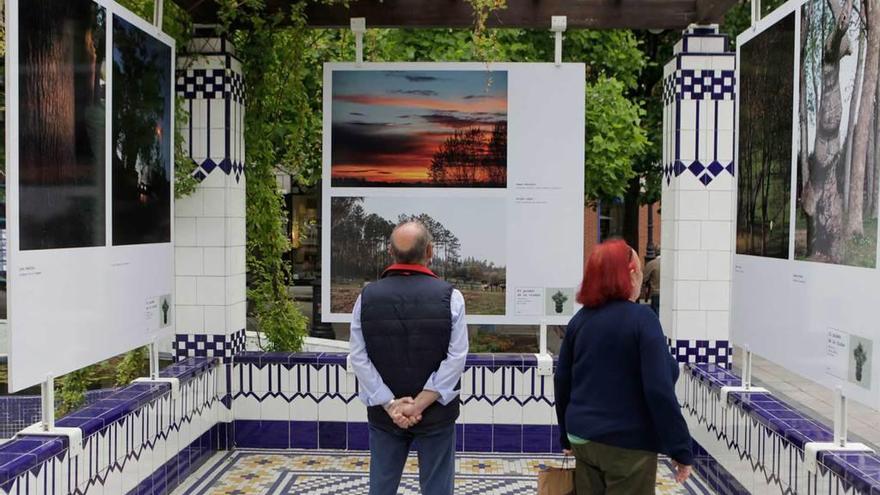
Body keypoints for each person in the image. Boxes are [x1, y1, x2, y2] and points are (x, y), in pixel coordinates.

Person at [554, 239, 693, 494]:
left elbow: (562, 381)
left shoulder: (579, 321)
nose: (641, 276)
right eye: (639, 270)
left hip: (582, 437)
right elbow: (659, 390)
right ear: (630, 274)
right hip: (627, 444)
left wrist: (566, 435)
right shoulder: (642, 319)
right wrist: (681, 448)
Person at [349, 220, 468, 495]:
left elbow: (359, 357)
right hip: (436, 415)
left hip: (385, 416)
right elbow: (456, 358)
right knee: (437, 488)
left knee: (381, 487)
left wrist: (391, 405)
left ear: (390, 252)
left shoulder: (366, 297)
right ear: (430, 251)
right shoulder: (451, 297)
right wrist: (420, 404)